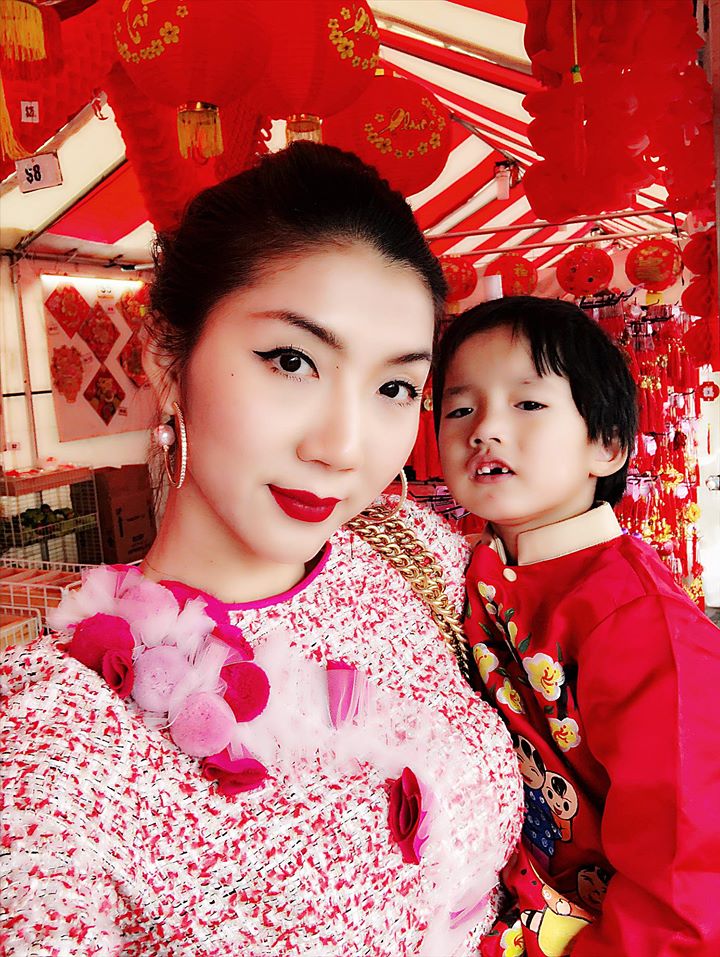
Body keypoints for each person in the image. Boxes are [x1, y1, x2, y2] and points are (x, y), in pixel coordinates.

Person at [0, 143, 523, 957]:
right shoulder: (49, 744)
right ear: (166, 359)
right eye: (292, 360)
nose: (342, 446)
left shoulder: (413, 554)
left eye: (394, 387)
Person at [434, 294, 720, 957]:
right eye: (459, 408)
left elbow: (689, 871)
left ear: (606, 444)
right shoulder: (466, 568)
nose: (485, 429)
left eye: (528, 403)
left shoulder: (640, 621)